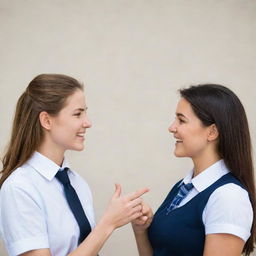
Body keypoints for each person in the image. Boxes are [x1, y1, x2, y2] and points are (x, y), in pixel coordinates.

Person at [0, 74, 148, 256]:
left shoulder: (77, 183)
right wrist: (108, 224)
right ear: (46, 120)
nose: (88, 123)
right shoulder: (19, 188)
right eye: (78, 114)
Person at [132, 84, 255, 256]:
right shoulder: (184, 187)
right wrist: (141, 231)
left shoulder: (228, 197)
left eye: (181, 120)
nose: (172, 127)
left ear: (212, 132)